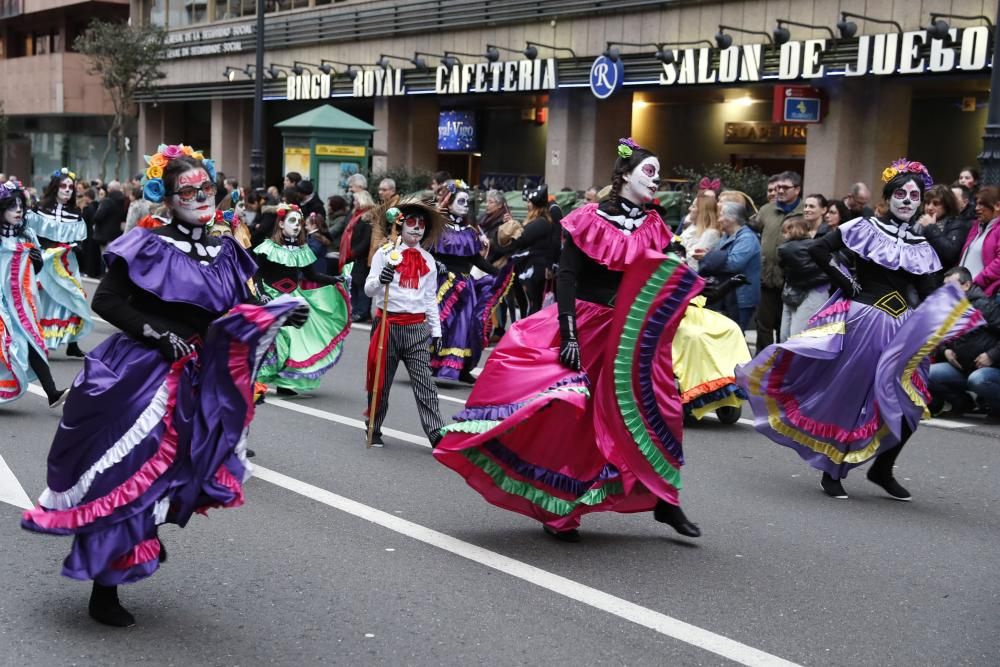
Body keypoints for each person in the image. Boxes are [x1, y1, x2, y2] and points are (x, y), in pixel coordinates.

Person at [20, 145, 308, 627]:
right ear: (168, 198)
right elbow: (108, 301)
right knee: (125, 475)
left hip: (197, 378)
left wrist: (285, 311)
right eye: (188, 191)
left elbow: (248, 303)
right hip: (140, 375)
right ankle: (104, 585)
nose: (200, 198)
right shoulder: (148, 243)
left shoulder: (227, 250)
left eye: (206, 189)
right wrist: (159, 333)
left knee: (177, 474)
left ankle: (136, 541)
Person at [434, 137, 703, 542]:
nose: (656, 180)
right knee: (571, 416)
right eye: (649, 172)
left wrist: (704, 286)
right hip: (585, 325)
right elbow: (566, 276)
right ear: (624, 175)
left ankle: (664, 499)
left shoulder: (654, 226)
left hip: (630, 335)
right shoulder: (589, 217)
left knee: (659, 411)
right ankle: (560, 508)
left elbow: (660, 279)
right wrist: (570, 332)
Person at [737, 159, 980, 501]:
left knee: (913, 401)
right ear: (888, 197)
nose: (908, 200)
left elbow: (927, 289)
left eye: (915, 195)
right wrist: (847, 281)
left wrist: (937, 323)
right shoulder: (866, 227)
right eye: (901, 193)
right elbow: (820, 250)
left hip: (902, 329)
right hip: (865, 321)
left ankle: (883, 468)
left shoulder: (922, 244)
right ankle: (832, 468)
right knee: (851, 396)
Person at [364, 201, 447, 447]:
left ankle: (435, 432)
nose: (417, 228)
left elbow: (430, 298)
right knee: (381, 383)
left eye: (422, 224)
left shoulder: (428, 260)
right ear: (400, 225)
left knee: (425, 383)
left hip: (416, 329)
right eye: (411, 222)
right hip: (387, 326)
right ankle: (374, 427)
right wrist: (381, 278)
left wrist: (437, 330)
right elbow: (369, 290)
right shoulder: (384, 254)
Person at [254, 203, 350, 396]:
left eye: (299, 221)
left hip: (293, 299)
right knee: (278, 340)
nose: (297, 225)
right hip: (272, 298)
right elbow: (256, 273)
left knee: (295, 342)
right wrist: (261, 293)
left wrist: (334, 280)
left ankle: (284, 382)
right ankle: (258, 381)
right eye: (292, 221)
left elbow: (312, 275)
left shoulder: (302, 249)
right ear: (281, 224)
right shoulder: (267, 247)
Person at [429, 179, 510, 384]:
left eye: (467, 202)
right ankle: (432, 363)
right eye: (461, 201)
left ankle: (461, 368)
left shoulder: (469, 232)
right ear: (448, 202)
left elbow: (475, 259)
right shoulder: (437, 228)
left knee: (467, 326)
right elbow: (428, 253)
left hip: (466, 285)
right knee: (441, 324)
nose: (465, 206)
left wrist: (498, 273)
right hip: (443, 284)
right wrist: (438, 267)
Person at [0, 179, 68, 407]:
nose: (18, 210)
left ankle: (52, 393)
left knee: (32, 340)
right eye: (11, 206)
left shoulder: (27, 235)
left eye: (20, 205)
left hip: (21, 300)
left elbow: (34, 270)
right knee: (5, 341)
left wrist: (37, 261)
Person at [23, 167, 93, 358]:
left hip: (66, 264)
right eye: (63, 186)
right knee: (41, 301)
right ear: (55, 187)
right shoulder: (40, 209)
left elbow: (81, 239)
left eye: (71, 187)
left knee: (73, 298)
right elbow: (29, 233)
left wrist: (75, 246)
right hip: (43, 262)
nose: (68, 190)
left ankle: (72, 342)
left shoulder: (76, 213)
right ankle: (36, 341)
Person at [928, 266, 1000, 419]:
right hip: (964, 368)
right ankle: (963, 403)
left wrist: (992, 355)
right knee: (927, 374)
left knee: (978, 379)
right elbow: (940, 339)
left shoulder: (984, 306)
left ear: (966, 285)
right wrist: (945, 350)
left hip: (992, 370)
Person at [750, 171, 803, 351]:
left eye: (784, 187)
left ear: (797, 190)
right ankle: (762, 363)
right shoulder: (766, 209)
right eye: (778, 187)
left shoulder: (804, 212)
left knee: (784, 325)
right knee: (763, 324)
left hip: (789, 280)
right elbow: (753, 228)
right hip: (766, 276)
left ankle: (781, 362)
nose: (779, 191)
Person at [700, 199, 761, 330]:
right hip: (727, 294)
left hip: (741, 296)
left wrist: (707, 257)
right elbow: (718, 256)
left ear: (732, 218)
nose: (719, 219)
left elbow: (733, 264)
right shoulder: (727, 236)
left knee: (736, 334)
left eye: (721, 214)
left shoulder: (747, 238)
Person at [776, 215, 829, 340]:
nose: (783, 235)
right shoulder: (818, 245)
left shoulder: (786, 248)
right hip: (815, 290)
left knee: (791, 336)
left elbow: (783, 266)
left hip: (800, 291)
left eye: (785, 232)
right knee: (797, 335)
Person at [340, 188, 376, 323]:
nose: (353, 203)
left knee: (361, 285)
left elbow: (366, 240)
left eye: (356, 200)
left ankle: (363, 312)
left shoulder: (368, 216)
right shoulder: (354, 215)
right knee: (353, 284)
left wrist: (353, 252)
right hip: (351, 256)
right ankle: (355, 310)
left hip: (361, 256)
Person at [916, 184, 970, 272]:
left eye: (936, 204)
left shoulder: (957, 224)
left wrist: (931, 228)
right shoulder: (919, 222)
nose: (930, 208)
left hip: (939, 277)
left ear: (947, 205)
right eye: (927, 203)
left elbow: (950, 254)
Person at [958, 186, 1000, 295]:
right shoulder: (976, 226)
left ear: (997, 206)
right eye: (976, 204)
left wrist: (976, 282)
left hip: (981, 293)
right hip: (964, 290)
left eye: (981, 204)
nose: (977, 208)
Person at [679, 189, 720, 269]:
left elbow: (694, 260)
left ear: (702, 211)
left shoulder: (711, 233)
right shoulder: (692, 226)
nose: (689, 208)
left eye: (693, 206)